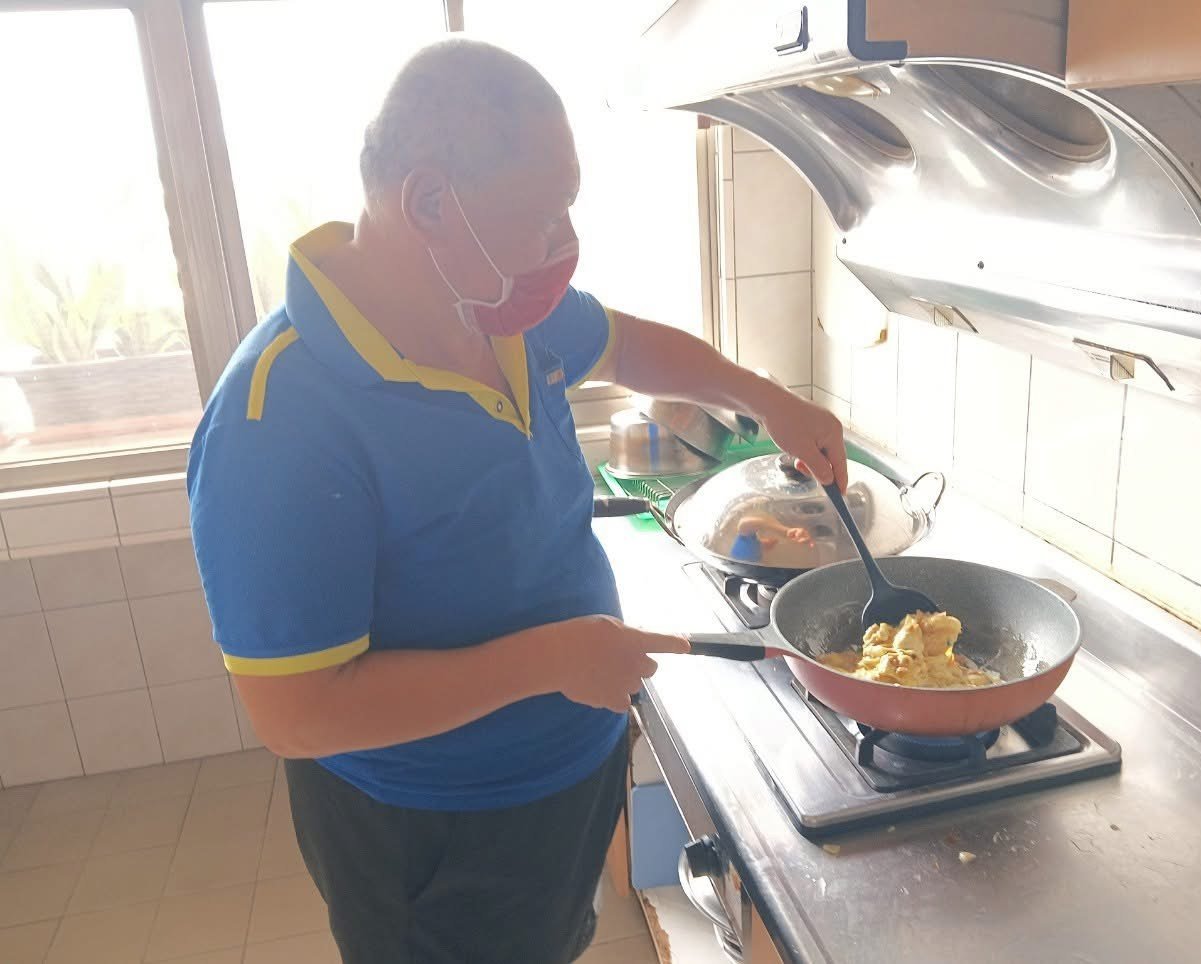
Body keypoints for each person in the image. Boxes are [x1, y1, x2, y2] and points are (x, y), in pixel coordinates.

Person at [187, 36, 848, 964]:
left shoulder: (497, 311)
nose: (563, 244)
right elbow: (295, 715)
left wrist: (767, 399)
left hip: (563, 778)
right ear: (428, 202)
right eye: (542, 216)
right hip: (433, 834)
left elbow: (625, 345)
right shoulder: (278, 418)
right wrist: (550, 660)